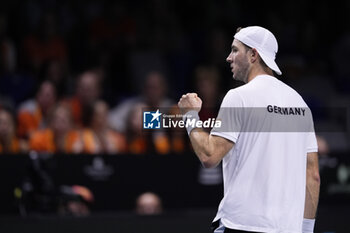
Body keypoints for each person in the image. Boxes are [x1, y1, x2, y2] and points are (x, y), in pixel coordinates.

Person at [178, 26, 320, 233]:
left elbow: (210, 155)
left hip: (242, 225)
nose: (228, 58)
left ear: (253, 55)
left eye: (235, 50)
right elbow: (313, 174)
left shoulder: (239, 97)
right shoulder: (300, 104)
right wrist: (306, 229)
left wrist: (190, 115)